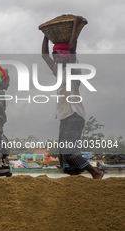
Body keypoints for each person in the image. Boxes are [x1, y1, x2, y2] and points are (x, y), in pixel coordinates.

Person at [41, 16, 104, 179]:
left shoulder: (73, 68)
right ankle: (75, 178)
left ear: (64, 55)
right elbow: (44, 55)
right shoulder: (59, 71)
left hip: (74, 114)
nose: (54, 57)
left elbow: (73, 48)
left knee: (69, 149)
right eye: (54, 55)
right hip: (65, 115)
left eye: (57, 54)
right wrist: (46, 35)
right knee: (63, 153)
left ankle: (95, 172)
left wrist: (75, 25)